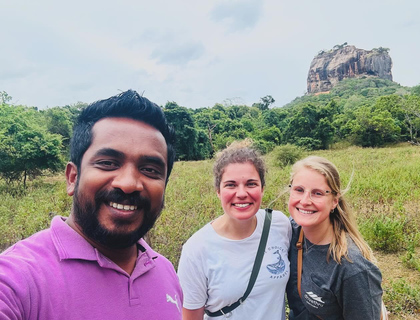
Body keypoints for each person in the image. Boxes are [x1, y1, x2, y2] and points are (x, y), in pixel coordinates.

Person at [0, 90, 183, 320]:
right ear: (73, 178)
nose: (128, 184)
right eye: (108, 163)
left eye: (150, 170)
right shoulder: (19, 279)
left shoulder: (165, 271)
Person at [177, 140, 291, 320]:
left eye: (251, 184)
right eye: (230, 185)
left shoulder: (279, 224)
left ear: (262, 188)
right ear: (218, 191)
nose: (241, 193)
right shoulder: (196, 249)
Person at [286, 156, 384, 320]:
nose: (305, 201)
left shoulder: (351, 268)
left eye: (317, 193)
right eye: (299, 190)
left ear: (334, 201)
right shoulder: (289, 231)